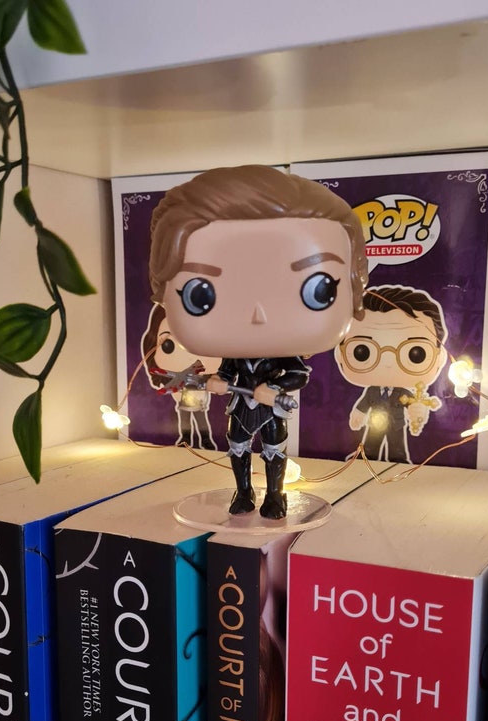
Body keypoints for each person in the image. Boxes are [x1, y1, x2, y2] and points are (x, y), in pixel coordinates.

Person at [149, 165, 367, 518]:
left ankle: (275, 496)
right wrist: (219, 381)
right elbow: (227, 372)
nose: (258, 314)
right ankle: (243, 492)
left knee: (274, 449)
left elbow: (298, 374)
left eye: (318, 290)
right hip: (241, 407)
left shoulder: (284, 356)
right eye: (199, 295)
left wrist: (275, 387)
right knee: (237, 448)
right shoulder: (234, 355)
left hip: (270, 407)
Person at [334, 285, 448, 463]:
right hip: (374, 424)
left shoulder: (403, 393)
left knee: (397, 448)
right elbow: (364, 403)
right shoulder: (372, 391)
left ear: (440, 357)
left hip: (397, 424)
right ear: (340, 354)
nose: (387, 363)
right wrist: (358, 413)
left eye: (416, 353)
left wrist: (418, 413)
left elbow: (414, 405)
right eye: (362, 352)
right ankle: (365, 460)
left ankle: (399, 464)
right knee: (371, 445)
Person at [141, 302, 218, 449]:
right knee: (185, 421)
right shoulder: (178, 376)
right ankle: (185, 438)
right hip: (184, 402)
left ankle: (205, 439)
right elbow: (173, 381)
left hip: (199, 401)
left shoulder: (203, 376)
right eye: (168, 345)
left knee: (201, 420)